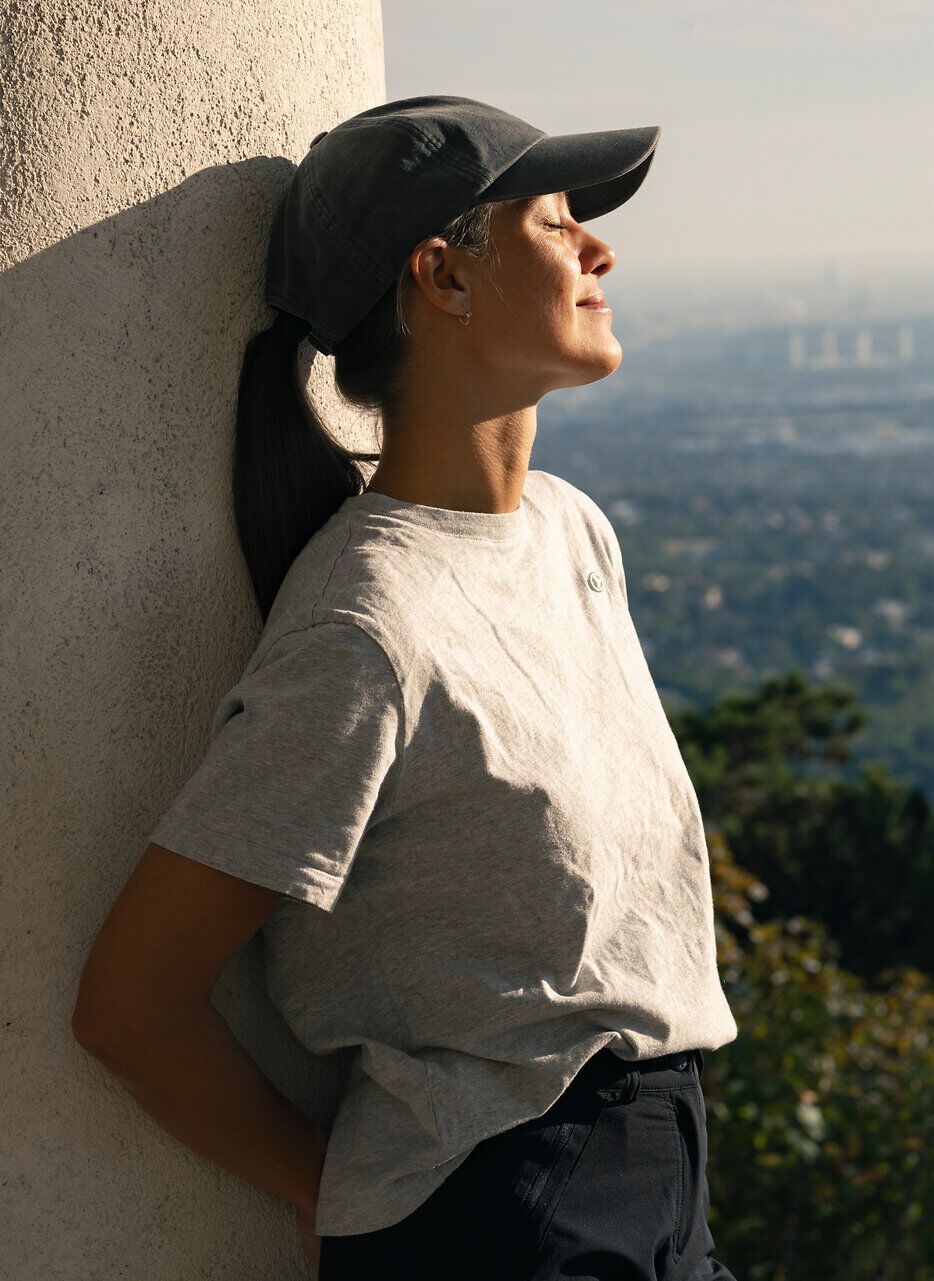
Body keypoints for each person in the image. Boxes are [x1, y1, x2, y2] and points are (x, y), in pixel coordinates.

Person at [69, 95, 742, 1280]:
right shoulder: (370, 627)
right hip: (505, 1210)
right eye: (555, 223)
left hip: (659, 1178)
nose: (600, 250)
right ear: (443, 276)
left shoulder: (568, 532)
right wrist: (321, 1189)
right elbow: (132, 1003)